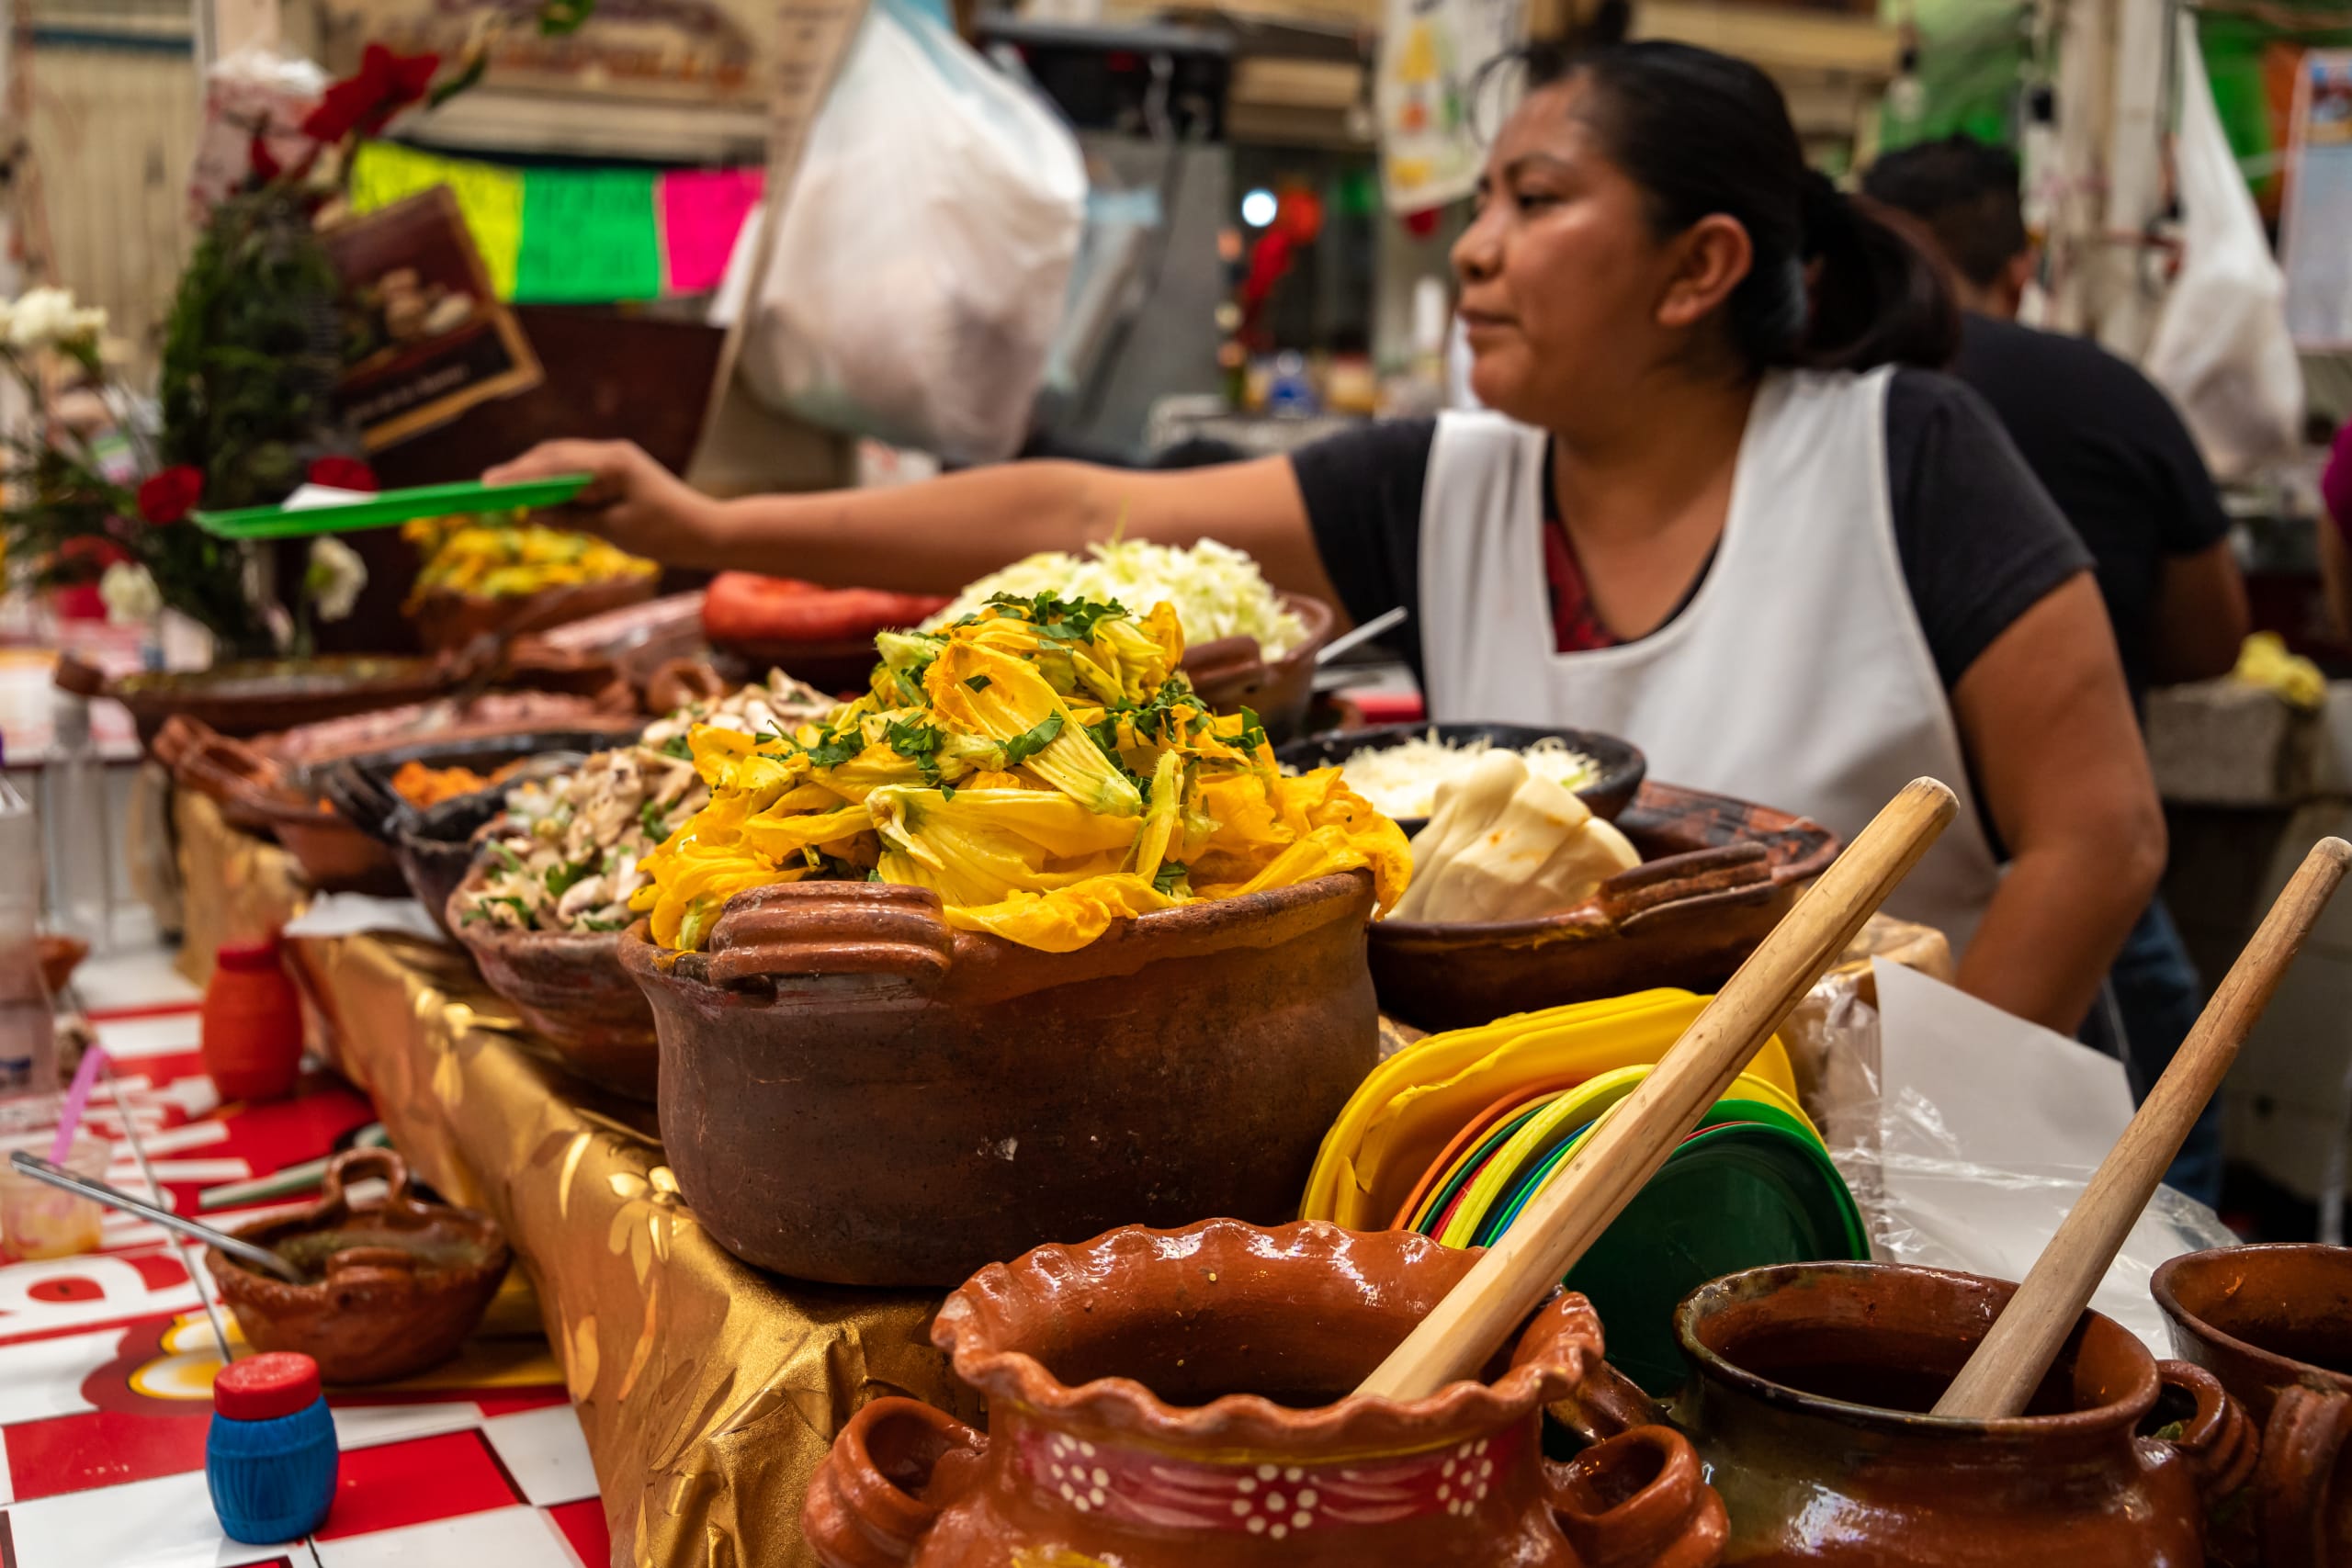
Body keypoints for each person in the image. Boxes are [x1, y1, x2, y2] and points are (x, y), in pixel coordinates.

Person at [489, 40, 2163, 1036]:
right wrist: (707, 520)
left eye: (1535, 201)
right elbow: (1079, 509)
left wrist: (1909, 1133)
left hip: (1908, 1166)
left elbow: (2099, 841)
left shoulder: (1905, 454)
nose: (1479, 251)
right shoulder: (1446, 482)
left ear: (1699, 265)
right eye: (1483, 205)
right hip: (1555, 1162)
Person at [1865, 134, 2247, 1204]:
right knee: (2140, 1202)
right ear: (2021, 263)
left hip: (1867, 890)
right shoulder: (2104, 392)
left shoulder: (1828, 410)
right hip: (2057, 870)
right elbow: (2210, 636)